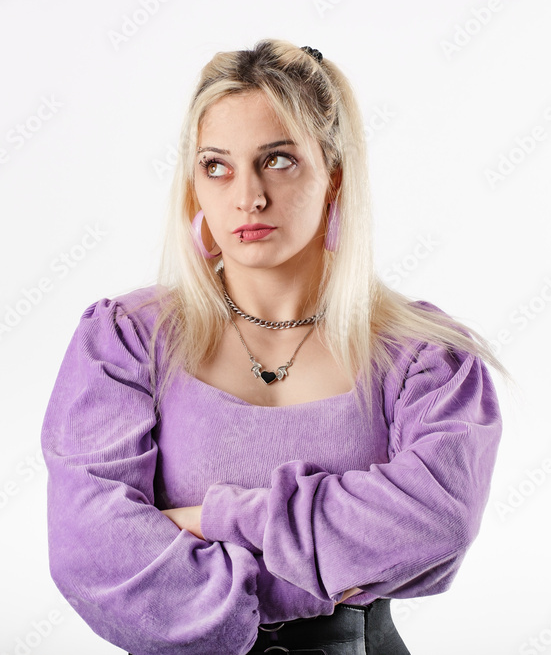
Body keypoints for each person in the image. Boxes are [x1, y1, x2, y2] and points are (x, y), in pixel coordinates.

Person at [41, 38, 509, 655]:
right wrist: (332, 568)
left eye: (279, 160)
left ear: (334, 173)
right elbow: (92, 554)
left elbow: (436, 522)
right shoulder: (127, 340)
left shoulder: (426, 357)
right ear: (193, 185)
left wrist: (214, 520)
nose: (247, 197)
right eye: (217, 166)